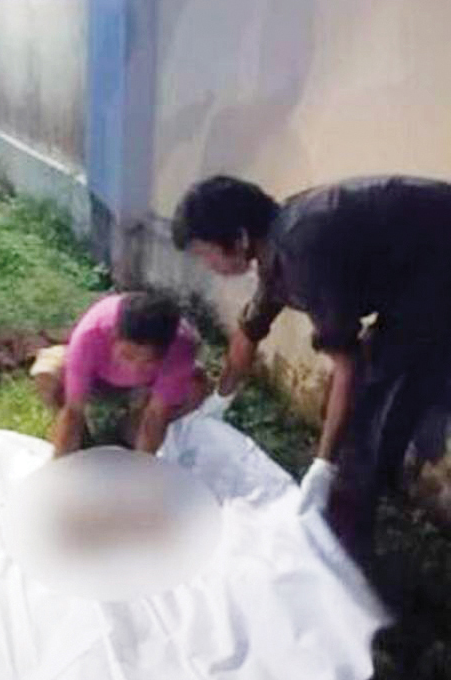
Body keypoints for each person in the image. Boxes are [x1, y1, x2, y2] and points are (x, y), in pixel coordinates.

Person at [172, 174, 451, 560]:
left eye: (206, 254)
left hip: (437, 281)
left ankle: (342, 547)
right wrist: (220, 399)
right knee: (373, 395)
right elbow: (250, 329)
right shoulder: (281, 235)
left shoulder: (304, 255)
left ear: (239, 238)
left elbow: (348, 367)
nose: (208, 265)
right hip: (425, 269)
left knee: (370, 410)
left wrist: (323, 465)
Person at [31, 292, 208, 457]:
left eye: (149, 361)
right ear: (114, 335)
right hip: (97, 380)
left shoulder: (182, 346)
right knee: (47, 372)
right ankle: (81, 439)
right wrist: (60, 464)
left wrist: (142, 467)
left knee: (195, 386)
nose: (135, 368)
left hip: (145, 389)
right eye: (128, 355)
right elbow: (73, 410)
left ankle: (130, 430)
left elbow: (156, 414)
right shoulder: (91, 333)